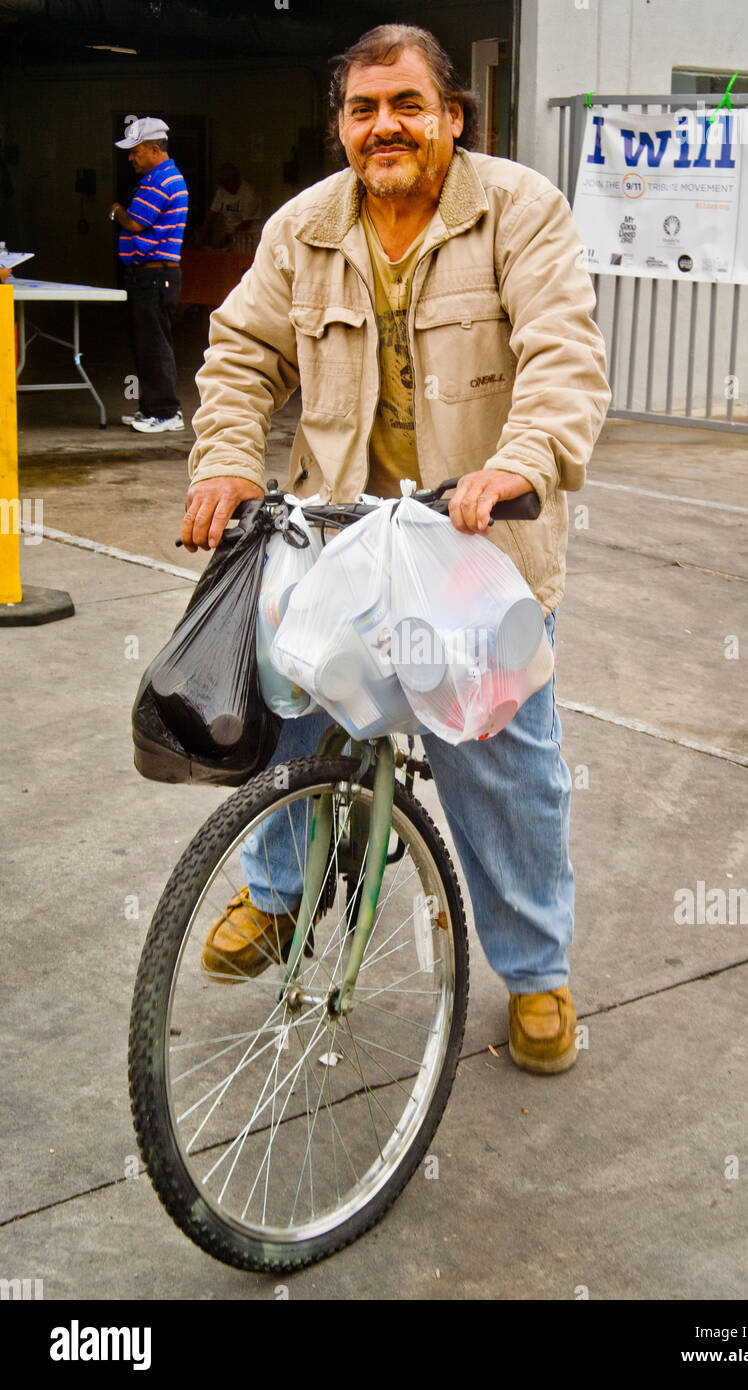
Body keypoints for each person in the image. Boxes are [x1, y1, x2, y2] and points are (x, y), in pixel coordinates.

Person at [182, 24, 611, 1074]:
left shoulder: (517, 209)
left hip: (477, 548)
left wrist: (523, 458)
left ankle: (535, 970)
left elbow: (562, 348)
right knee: (293, 692)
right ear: (341, 127)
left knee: (500, 765)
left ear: (449, 118)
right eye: (364, 110)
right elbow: (242, 353)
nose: (387, 127)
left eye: (408, 105)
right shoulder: (302, 228)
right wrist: (226, 458)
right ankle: (283, 898)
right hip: (345, 533)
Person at [111, 116, 189, 433]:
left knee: (155, 345)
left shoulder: (161, 180)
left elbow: (134, 223)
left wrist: (117, 210)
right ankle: (151, 408)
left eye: (135, 151)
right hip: (150, 276)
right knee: (147, 344)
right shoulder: (157, 178)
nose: (130, 157)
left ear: (154, 149)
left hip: (156, 277)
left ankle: (167, 412)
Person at [196, 163, 262, 250]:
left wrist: (226, 239)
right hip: (232, 236)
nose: (225, 187)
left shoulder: (248, 194)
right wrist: (202, 237)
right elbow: (212, 215)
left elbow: (246, 223)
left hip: (249, 238)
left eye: (227, 183)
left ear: (235, 180)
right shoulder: (222, 191)